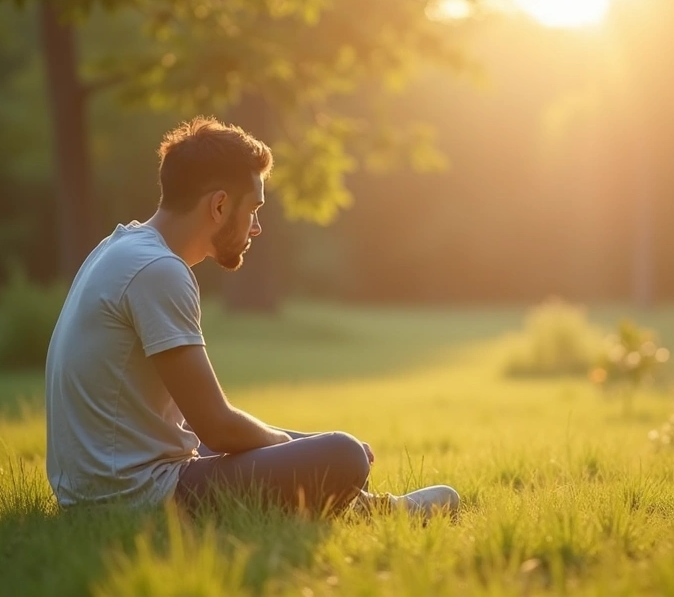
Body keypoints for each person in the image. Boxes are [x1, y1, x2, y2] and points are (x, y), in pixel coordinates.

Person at [44, 116, 459, 519]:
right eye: (254, 209)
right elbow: (217, 428)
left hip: (98, 486)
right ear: (220, 205)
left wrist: (296, 446)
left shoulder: (118, 248)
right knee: (344, 453)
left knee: (317, 445)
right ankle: (363, 502)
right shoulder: (159, 270)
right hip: (135, 497)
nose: (256, 227)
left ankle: (363, 503)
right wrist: (294, 448)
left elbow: (195, 421)